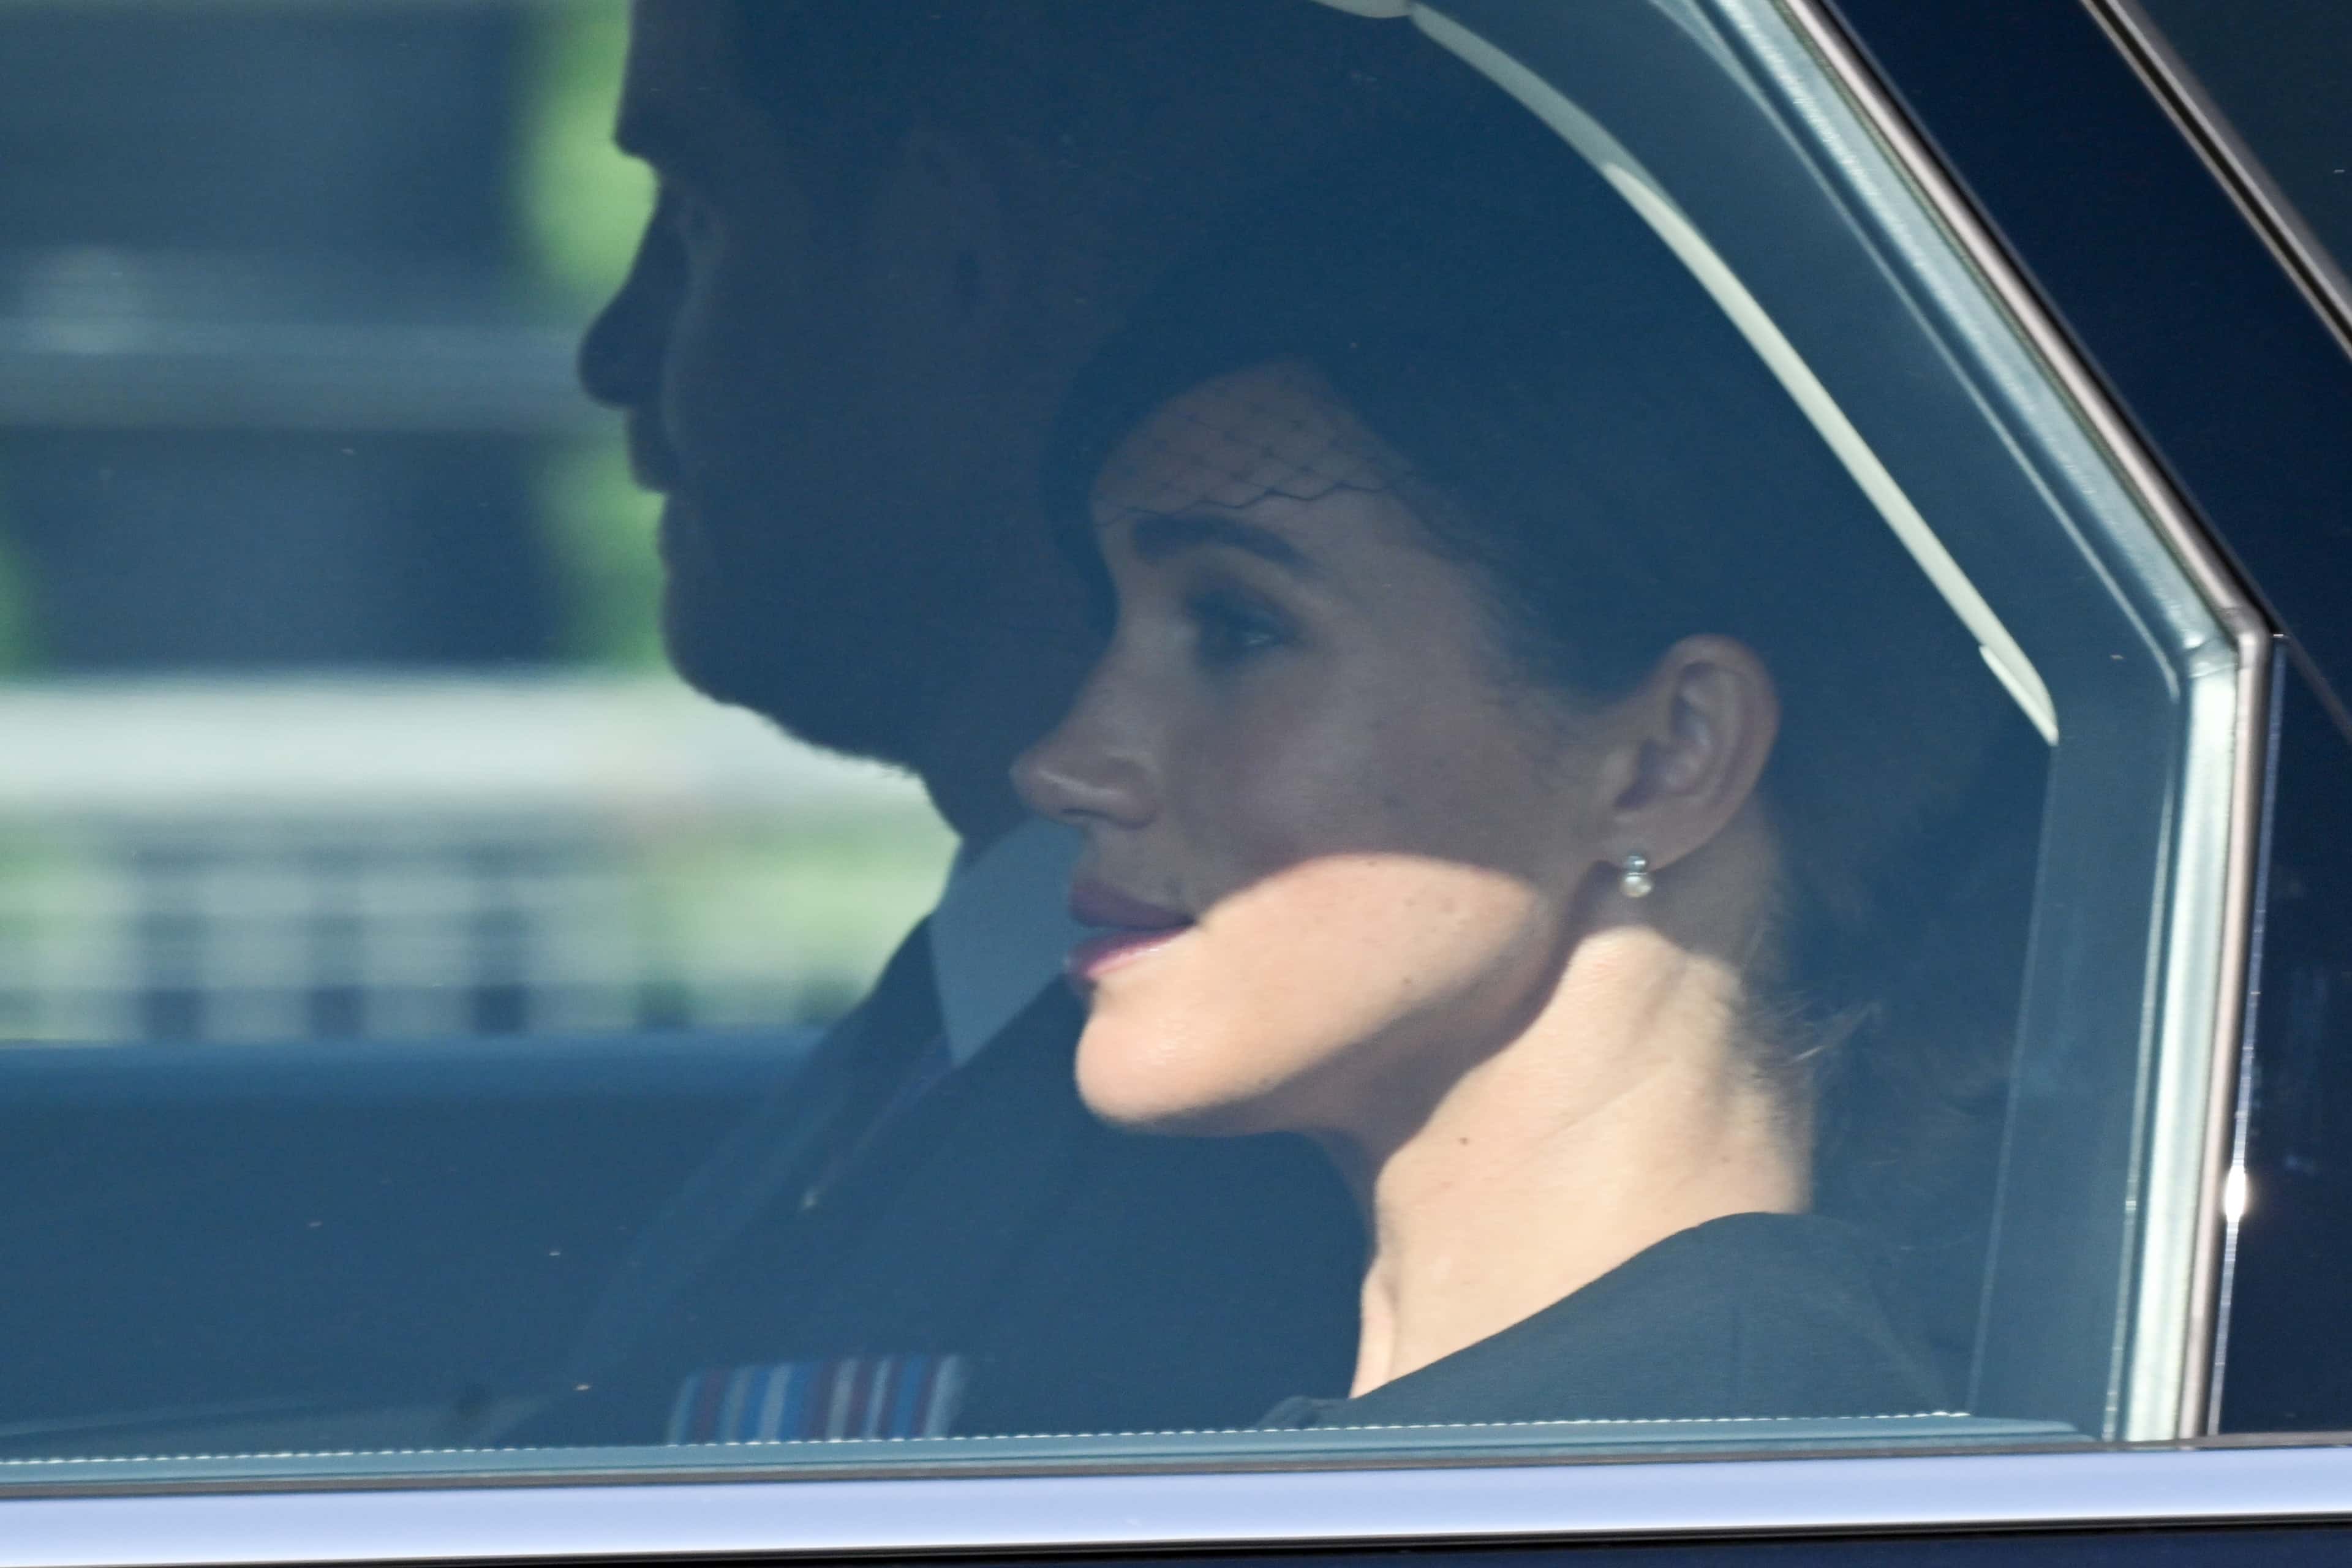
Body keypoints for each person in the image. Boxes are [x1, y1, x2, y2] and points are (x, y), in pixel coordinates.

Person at [512, 2, 1492, 1444]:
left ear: (949, 255)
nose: (613, 351)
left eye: (701, 218)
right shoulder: (988, 986)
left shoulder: (1244, 1159)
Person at [1014, 107, 2035, 1426]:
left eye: (1239, 628)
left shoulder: (1696, 1473)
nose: (1061, 767)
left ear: (1665, 758)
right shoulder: (1602, 1434)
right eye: (1113, 628)